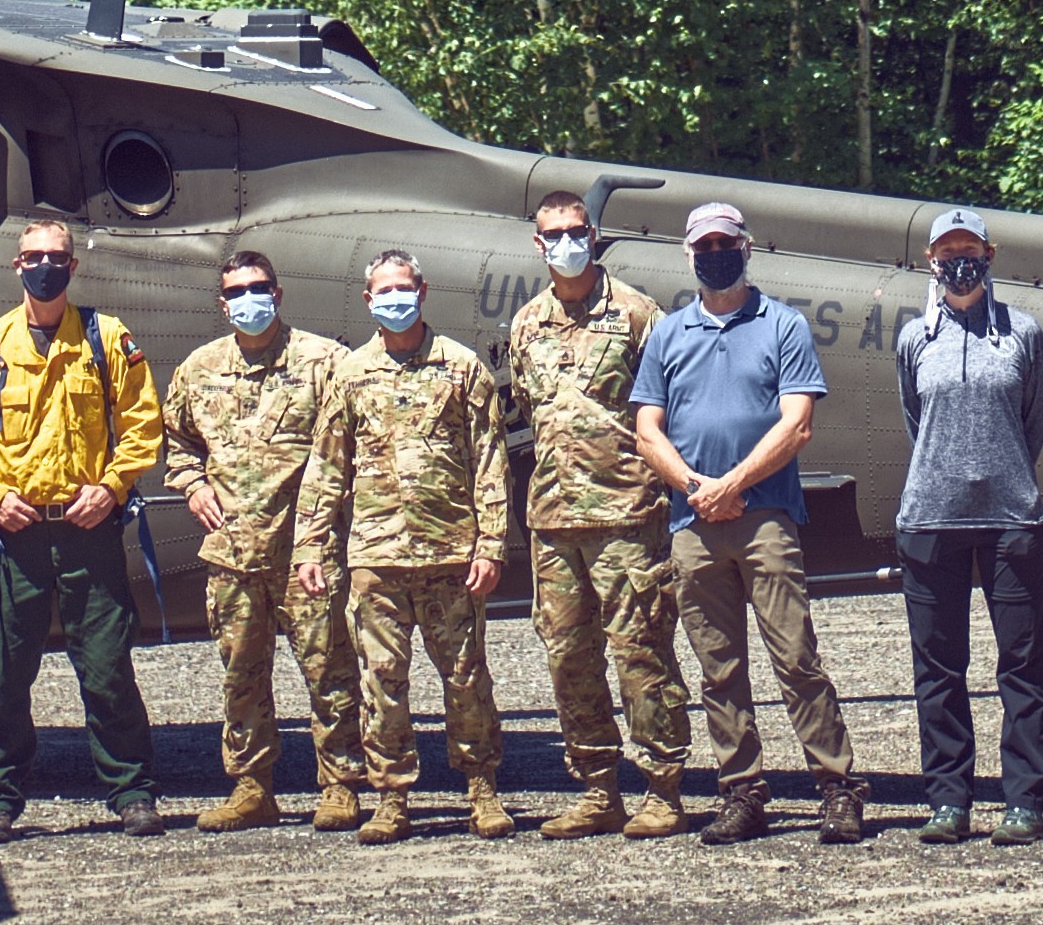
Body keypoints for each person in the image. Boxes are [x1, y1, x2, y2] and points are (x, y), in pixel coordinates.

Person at [628, 199, 862, 845]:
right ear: (688, 255)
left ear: (746, 246)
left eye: (724, 243)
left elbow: (798, 423)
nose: (714, 255)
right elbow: (647, 430)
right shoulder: (669, 335)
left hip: (764, 518)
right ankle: (742, 790)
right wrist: (696, 488)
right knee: (718, 668)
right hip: (693, 523)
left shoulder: (781, 325)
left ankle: (838, 787)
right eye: (703, 247)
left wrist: (733, 485)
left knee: (795, 659)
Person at [0, 214, 169, 839]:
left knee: (108, 667)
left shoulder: (105, 338)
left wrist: (114, 485)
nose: (45, 265)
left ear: (73, 265)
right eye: (34, 255)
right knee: (4, 674)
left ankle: (132, 791)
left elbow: (144, 424)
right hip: (16, 537)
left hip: (88, 530)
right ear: (17, 266)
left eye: (56, 256)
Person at [502, 188, 689, 840]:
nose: (567, 243)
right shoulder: (525, 325)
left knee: (642, 653)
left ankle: (664, 789)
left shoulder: (640, 315)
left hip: (627, 519)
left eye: (576, 230)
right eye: (554, 234)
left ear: (594, 232)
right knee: (568, 659)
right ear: (538, 244)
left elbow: (671, 412)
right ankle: (598, 790)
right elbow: (529, 413)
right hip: (553, 523)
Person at [161, 245, 361, 832]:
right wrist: (193, 485)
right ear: (222, 304)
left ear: (278, 292)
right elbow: (176, 442)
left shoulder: (325, 362)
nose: (249, 300)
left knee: (330, 672)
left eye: (259, 288)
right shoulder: (198, 369)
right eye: (236, 292)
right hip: (232, 553)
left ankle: (341, 785)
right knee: (242, 676)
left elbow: (352, 446)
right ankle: (252, 788)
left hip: (306, 553)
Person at [316, 247, 513, 843]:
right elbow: (327, 469)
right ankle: (392, 796)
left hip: (450, 554)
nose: (395, 299)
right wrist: (310, 548)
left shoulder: (461, 368)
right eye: (384, 290)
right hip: (376, 559)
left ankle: (481, 789)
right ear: (368, 299)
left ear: (422, 291)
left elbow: (489, 461)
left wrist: (493, 543)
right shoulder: (350, 374)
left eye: (404, 287)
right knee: (382, 681)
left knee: (465, 676)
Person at [890, 205, 1043, 847]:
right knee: (938, 668)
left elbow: (1031, 421)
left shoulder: (1023, 333)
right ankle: (949, 801)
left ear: (990, 256)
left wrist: (1003, 473)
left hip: (1013, 518)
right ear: (930, 261)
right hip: (930, 519)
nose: (959, 261)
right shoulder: (914, 339)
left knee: (1023, 663)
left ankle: (1026, 803)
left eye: (970, 250)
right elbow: (914, 418)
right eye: (946, 251)